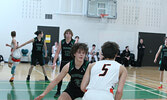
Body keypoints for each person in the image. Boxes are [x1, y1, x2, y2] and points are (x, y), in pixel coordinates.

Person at [52, 29, 77, 97]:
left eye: (69, 33)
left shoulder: (74, 42)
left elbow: (76, 53)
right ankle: (58, 91)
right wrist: (54, 63)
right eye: (67, 33)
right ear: (65, 34)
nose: (68, 35)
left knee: (74, 77)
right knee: (60, 77)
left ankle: (74, 91)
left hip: (71, 62)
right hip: (63, 62)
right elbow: (57, 52)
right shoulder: (62, 42)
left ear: (71, 35)